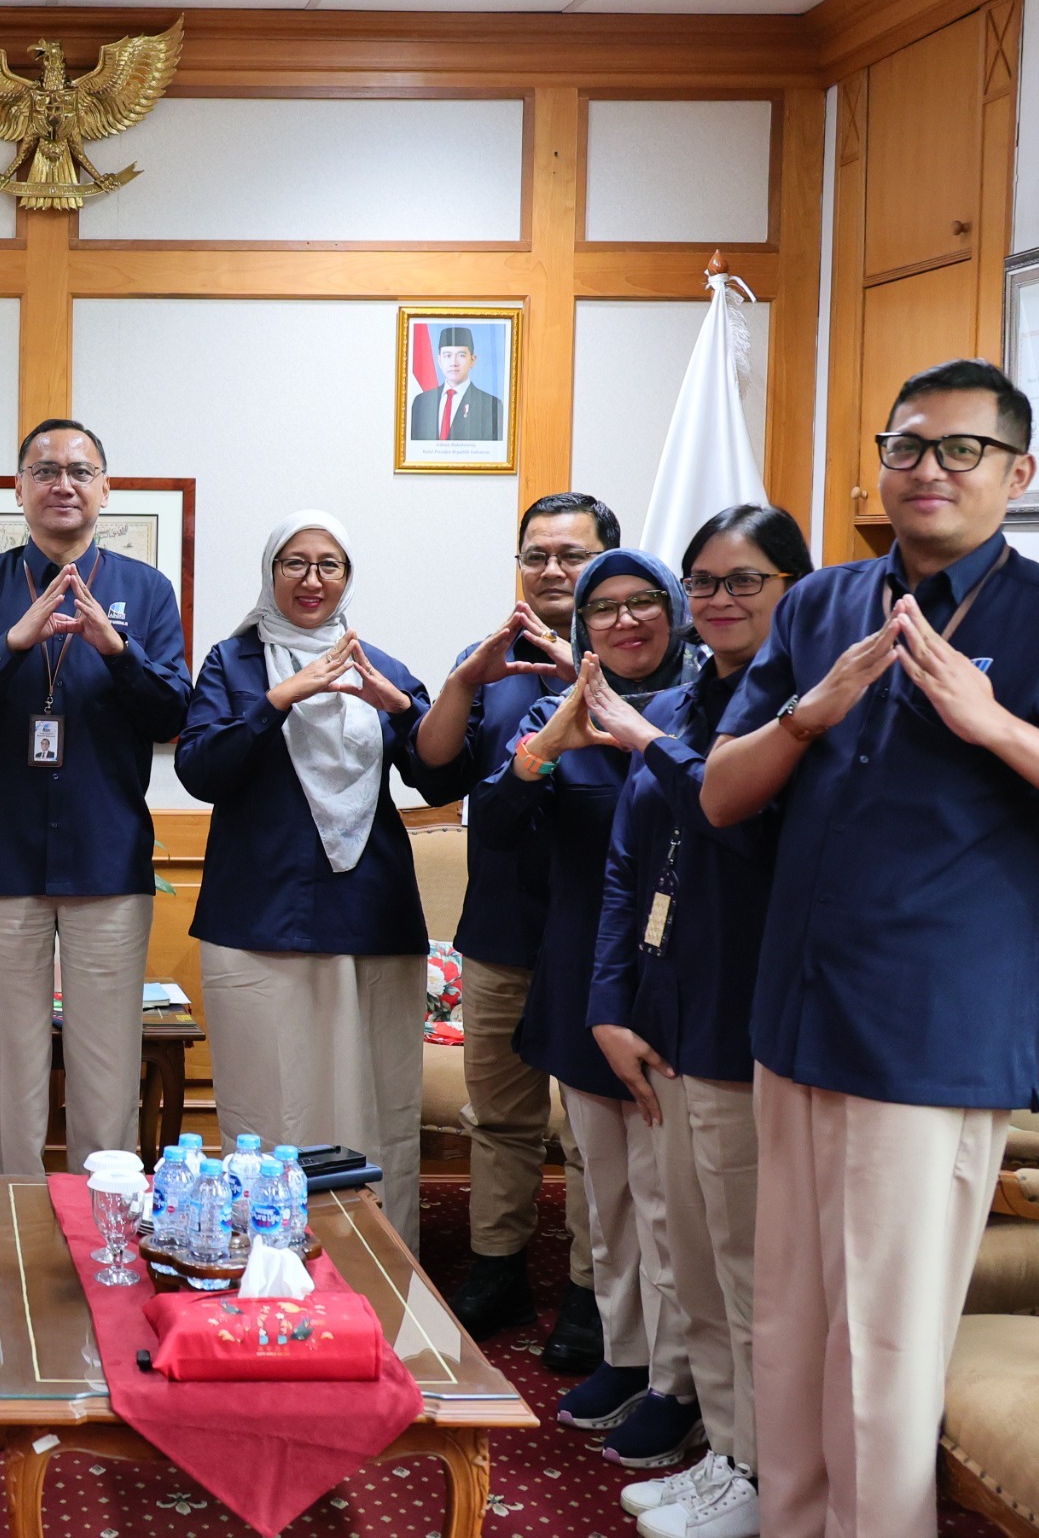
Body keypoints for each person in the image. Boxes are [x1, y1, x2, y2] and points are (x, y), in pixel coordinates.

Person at [703, 359, 1039, 1538]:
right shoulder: (820, 603)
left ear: (1016, 472)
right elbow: (722, 794)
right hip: (795, 1015)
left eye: (961, 449)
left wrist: (996, 728)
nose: (926, 468)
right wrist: (806, 714)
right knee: (788, 1326)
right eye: (905, 446)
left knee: (880, 1351)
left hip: (927, 1037)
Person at [584, 505, 814, 1538]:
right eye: (705, 581)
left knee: (748, 1268)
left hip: (741, 1019)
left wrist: (651, 744)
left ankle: (769, 1470)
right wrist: (610, 1004)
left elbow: (743, 830)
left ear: (794, 589)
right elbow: (627, 867)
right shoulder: (681, 703)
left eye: (746, 579)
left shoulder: (803, 713)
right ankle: (727, 1452)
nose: (720, 599)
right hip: (664, 1012)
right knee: (692, 1262)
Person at [471, 547, 702, 1473]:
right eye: (604, 608)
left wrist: (641, 741)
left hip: (677, 975)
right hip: (581, 972)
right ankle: (627, 1355)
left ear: (675, 612)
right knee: (606, 1196)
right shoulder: (552, 714)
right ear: (582, 627)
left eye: (644, 602)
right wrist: (548, 746)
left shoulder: (705, 710)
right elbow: (494, 829)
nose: (624, 620)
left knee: (670, 1201)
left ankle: (681, 1383)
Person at [175, 510, 454, 1253]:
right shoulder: (233, 663)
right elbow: (200, 771)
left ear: (347, 577)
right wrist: (278, 699)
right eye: (294, 563)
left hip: (370, 913)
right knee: (270, 1102)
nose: (312, 579)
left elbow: (441, 777)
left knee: (377, 1102)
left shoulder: (377, 665)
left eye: (329, 564)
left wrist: (401, 707)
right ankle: (263, 1259)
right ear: (271, 572)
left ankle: (378, 1262)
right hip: (258, 914)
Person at [0, 418, 189, 1178]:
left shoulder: (146, 591)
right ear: (18, 488)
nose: (63, 484)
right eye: (45, 471)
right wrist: (11, 644)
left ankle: (102, 1229)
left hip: (105, 857)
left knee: (107, 1071)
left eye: (80, 472)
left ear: (105, 489)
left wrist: (118, 651)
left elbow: (172, 713)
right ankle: (4, 1228)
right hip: (1, 856)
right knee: (3, 1068)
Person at [414, 490, 612, 1368]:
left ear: (605, 561)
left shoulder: (641, 659)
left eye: (572, 554)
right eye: (537, 554)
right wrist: (466, 680)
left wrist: (583, 672)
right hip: (499, 925)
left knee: (593, 1128)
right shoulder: (489, 660)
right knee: (500, 1115)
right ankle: (497, 1266)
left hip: (599, 934)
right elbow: (434, 772)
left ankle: (591, 1287)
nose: (552, 569)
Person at [408, 325, 504, 442]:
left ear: (472, 360)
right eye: (447, 356)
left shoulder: (491, 405)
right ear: (439, 361)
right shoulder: (421, 402)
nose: (453, 362)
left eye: (461, 355)